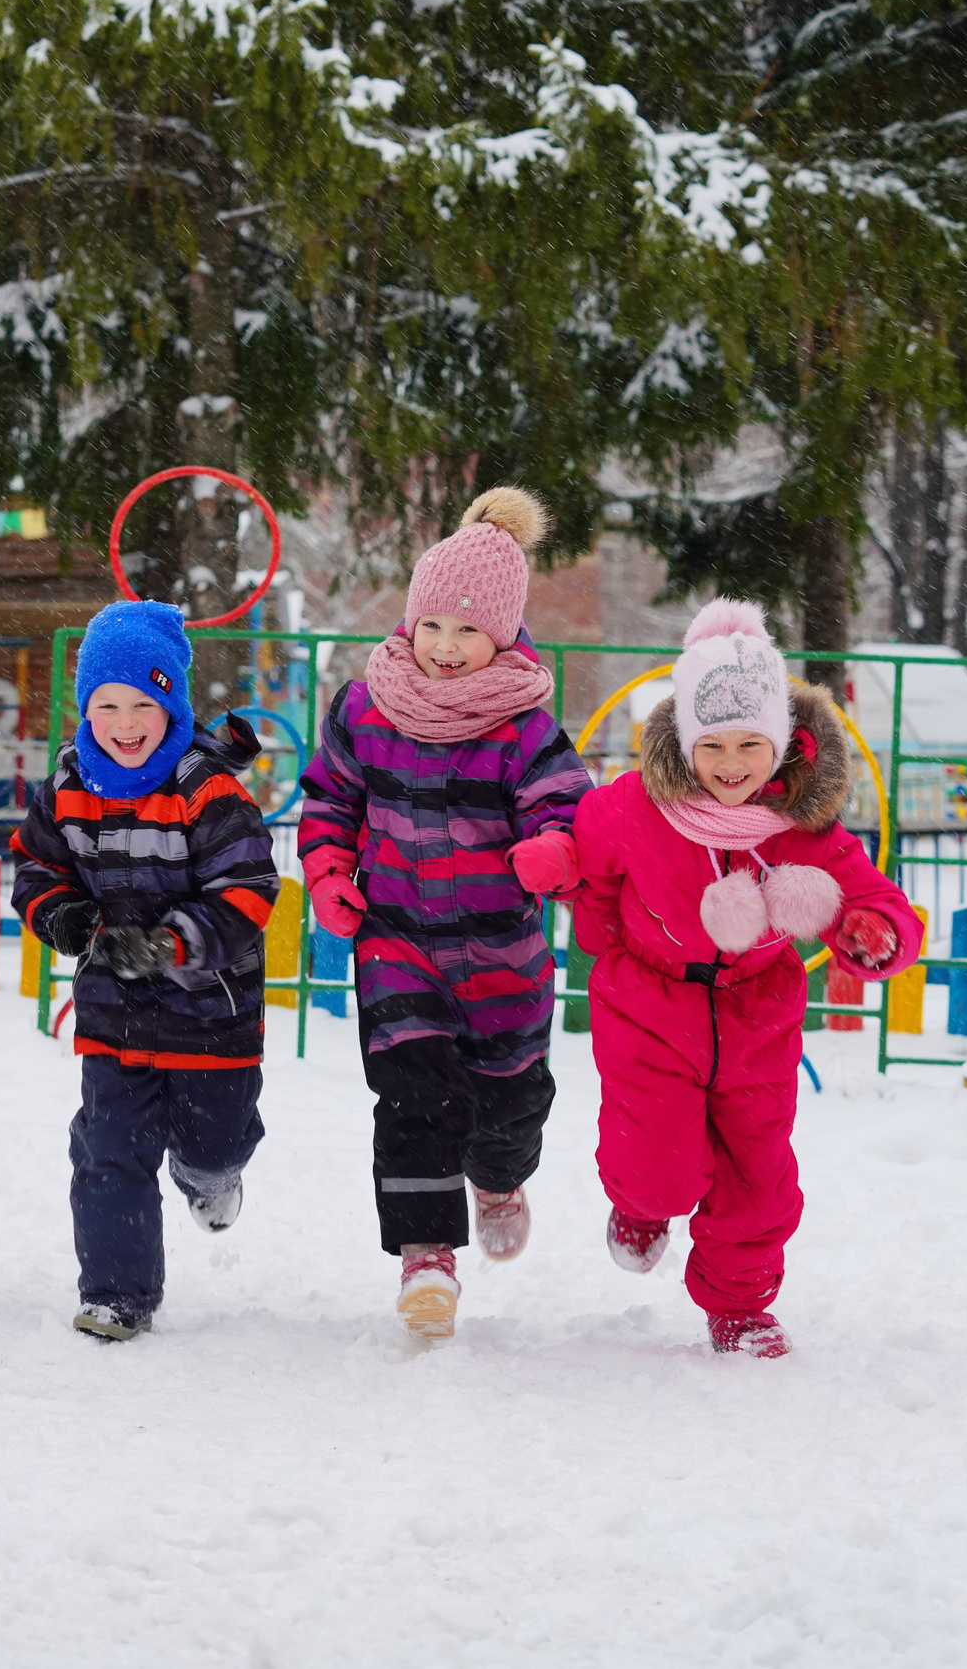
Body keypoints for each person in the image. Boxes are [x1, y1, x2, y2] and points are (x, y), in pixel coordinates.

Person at [572, 598, 921, 1357]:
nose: (732, 764)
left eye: (750, 745)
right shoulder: (635, 807)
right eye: (714, 745)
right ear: (685, 743)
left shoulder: (804, 825)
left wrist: (874, 932)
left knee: (758, 1173)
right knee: (654, 1158)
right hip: (649, 1004)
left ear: (784, 743)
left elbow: (869, 895)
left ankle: (738, 1306)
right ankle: (642, 1204)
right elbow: (582, 860)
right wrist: (581, 904)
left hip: (757, 1014)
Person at [297, 487, 593, 1340]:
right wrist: (326, 871)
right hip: (397, 947)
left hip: (501, 958)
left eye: (468, 630)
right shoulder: (366, 707)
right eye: (432, 625)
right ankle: (426, 1254)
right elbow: (328, 801)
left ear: (502, 635)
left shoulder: (522, 727)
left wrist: (553, 849)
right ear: (410, 621)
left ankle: (499, 1177)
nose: (446, 646)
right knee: (412, 1095)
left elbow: (564, 809)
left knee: (507, 1108)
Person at [10, 600, 280, 1341]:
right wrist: (62, 913)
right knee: (109, 1150)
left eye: (143, 704)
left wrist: (174, 943)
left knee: (212, 1140)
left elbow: (249, 887)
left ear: (171, 705)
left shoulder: (205, 787)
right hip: (115, 1009)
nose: (125, 723)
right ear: (86, 708)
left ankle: (212, 1176)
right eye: (106, 705)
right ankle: (117, 1290)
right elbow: (35, 864)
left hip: (210, 1011)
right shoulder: (70, 783)